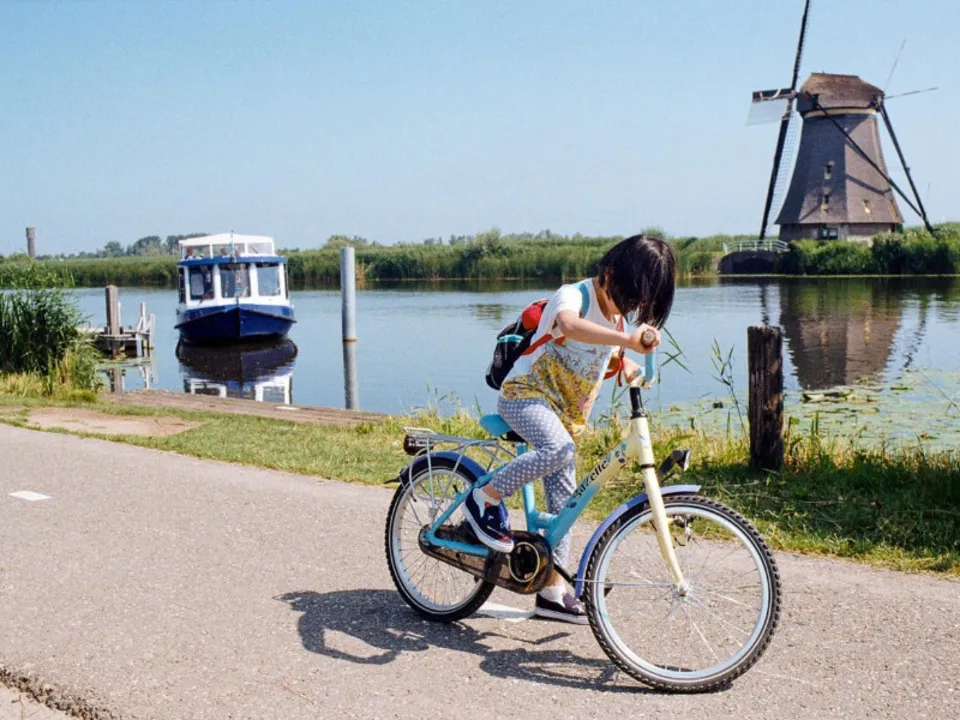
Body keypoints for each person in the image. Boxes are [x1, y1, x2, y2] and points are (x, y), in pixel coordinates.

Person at [463, 233, 676, 624]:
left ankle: (551, 591)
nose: (629, 308)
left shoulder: (616, 321)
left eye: (638, 304)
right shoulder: (574, 296)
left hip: (564, 419)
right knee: (558, 451)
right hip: (524, 396)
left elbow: (610, 358)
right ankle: (484, 498)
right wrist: (626, 339)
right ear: (609, 273)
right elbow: (569, 326)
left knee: (565, 507)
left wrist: (629, 365)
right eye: (629, 297)